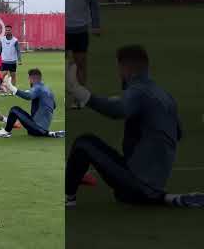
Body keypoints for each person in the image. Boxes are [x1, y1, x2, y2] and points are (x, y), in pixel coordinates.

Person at [65, 45, 204, 208]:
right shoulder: (164, 94)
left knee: (84, 143)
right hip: (155, 183)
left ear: (125, 69)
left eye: (118, 69)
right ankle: (164, 198)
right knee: (122, 194)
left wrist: (79, 91)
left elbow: (117, 111)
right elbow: (178, 133)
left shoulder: (137, 91)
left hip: (136, 182)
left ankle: (69, 199)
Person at [65, 0, 101, 109]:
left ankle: (79, 98)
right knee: (63, 66)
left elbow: (93, 3)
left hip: (79, 29)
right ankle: (66, 95)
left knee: (80, 65)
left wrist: (96, 24)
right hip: (62, 29)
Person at [0, 68, 64, 138]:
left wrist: (11, 87)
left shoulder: (38, 88)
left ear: (31, 79)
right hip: (43, 128)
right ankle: (46, 132)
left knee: (14, 110)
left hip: (36, 129)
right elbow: (53, 105)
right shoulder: (47, 89)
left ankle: (6, 132)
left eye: (29, 79)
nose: (29, 81)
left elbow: (28, 96)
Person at [0, 25, 22, 95]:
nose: (7, 31)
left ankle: (12, 90)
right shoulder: (2, 39)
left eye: (9, 30)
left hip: (12, 61)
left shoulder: (15, 40)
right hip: (4, 61)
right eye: (6, 30)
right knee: (2, 76)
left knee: (13, 76)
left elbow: (18, 51)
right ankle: (1, 89)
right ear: (5, 31)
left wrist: (19, 60)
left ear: (11, 31)